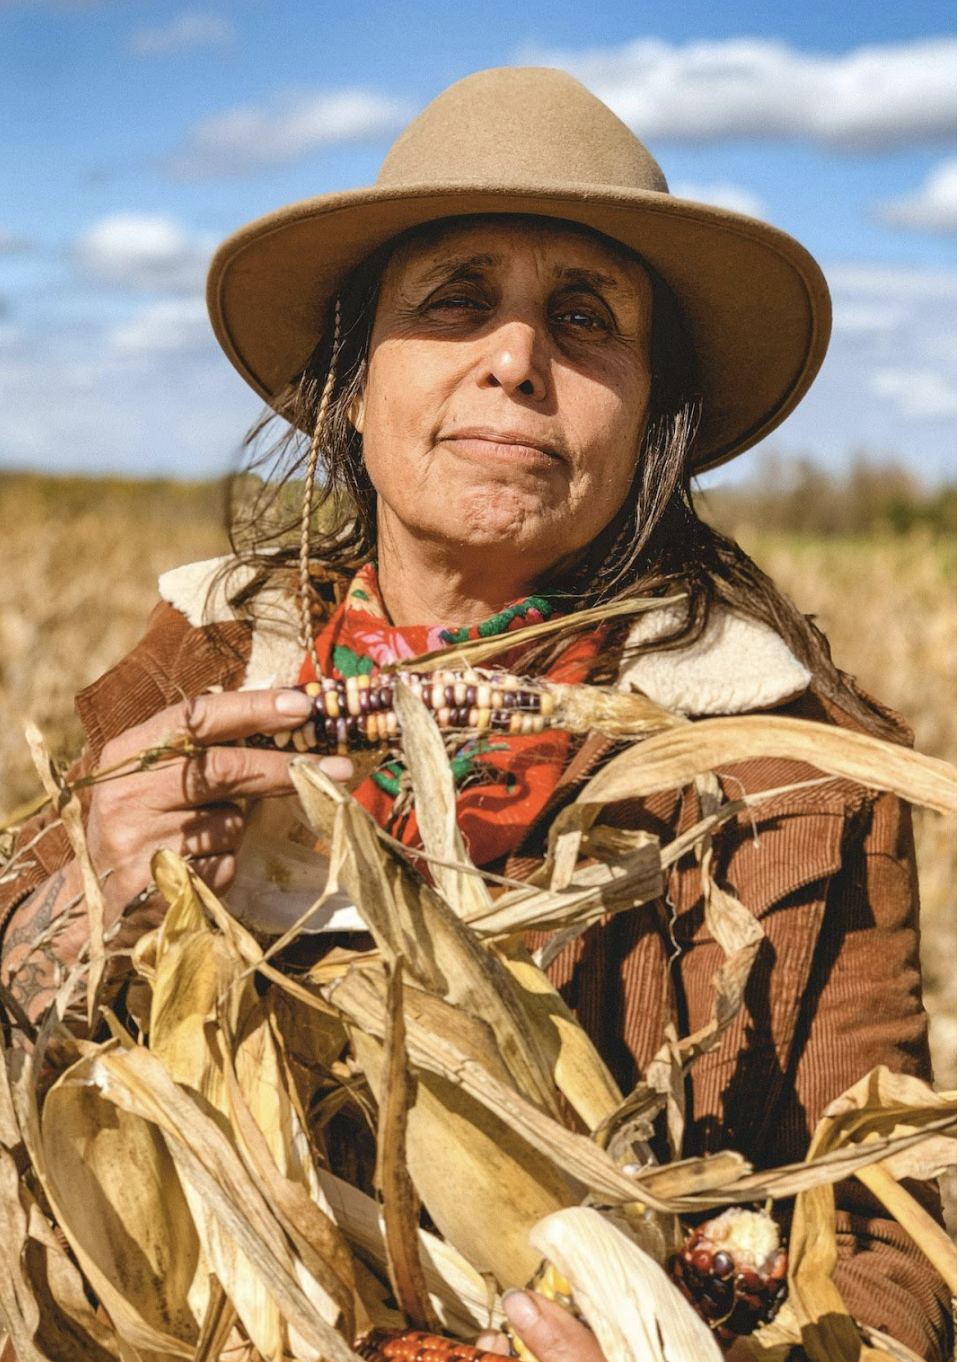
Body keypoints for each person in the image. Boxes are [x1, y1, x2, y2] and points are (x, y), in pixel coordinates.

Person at [0, 67, 951, 1362]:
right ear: (351, 383)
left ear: (651, 419)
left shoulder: (786, 763)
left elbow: (882, 1234)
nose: (516, 360)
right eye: (456, 299)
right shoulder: (200, 664)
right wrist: (81, 906)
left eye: (584, 317)